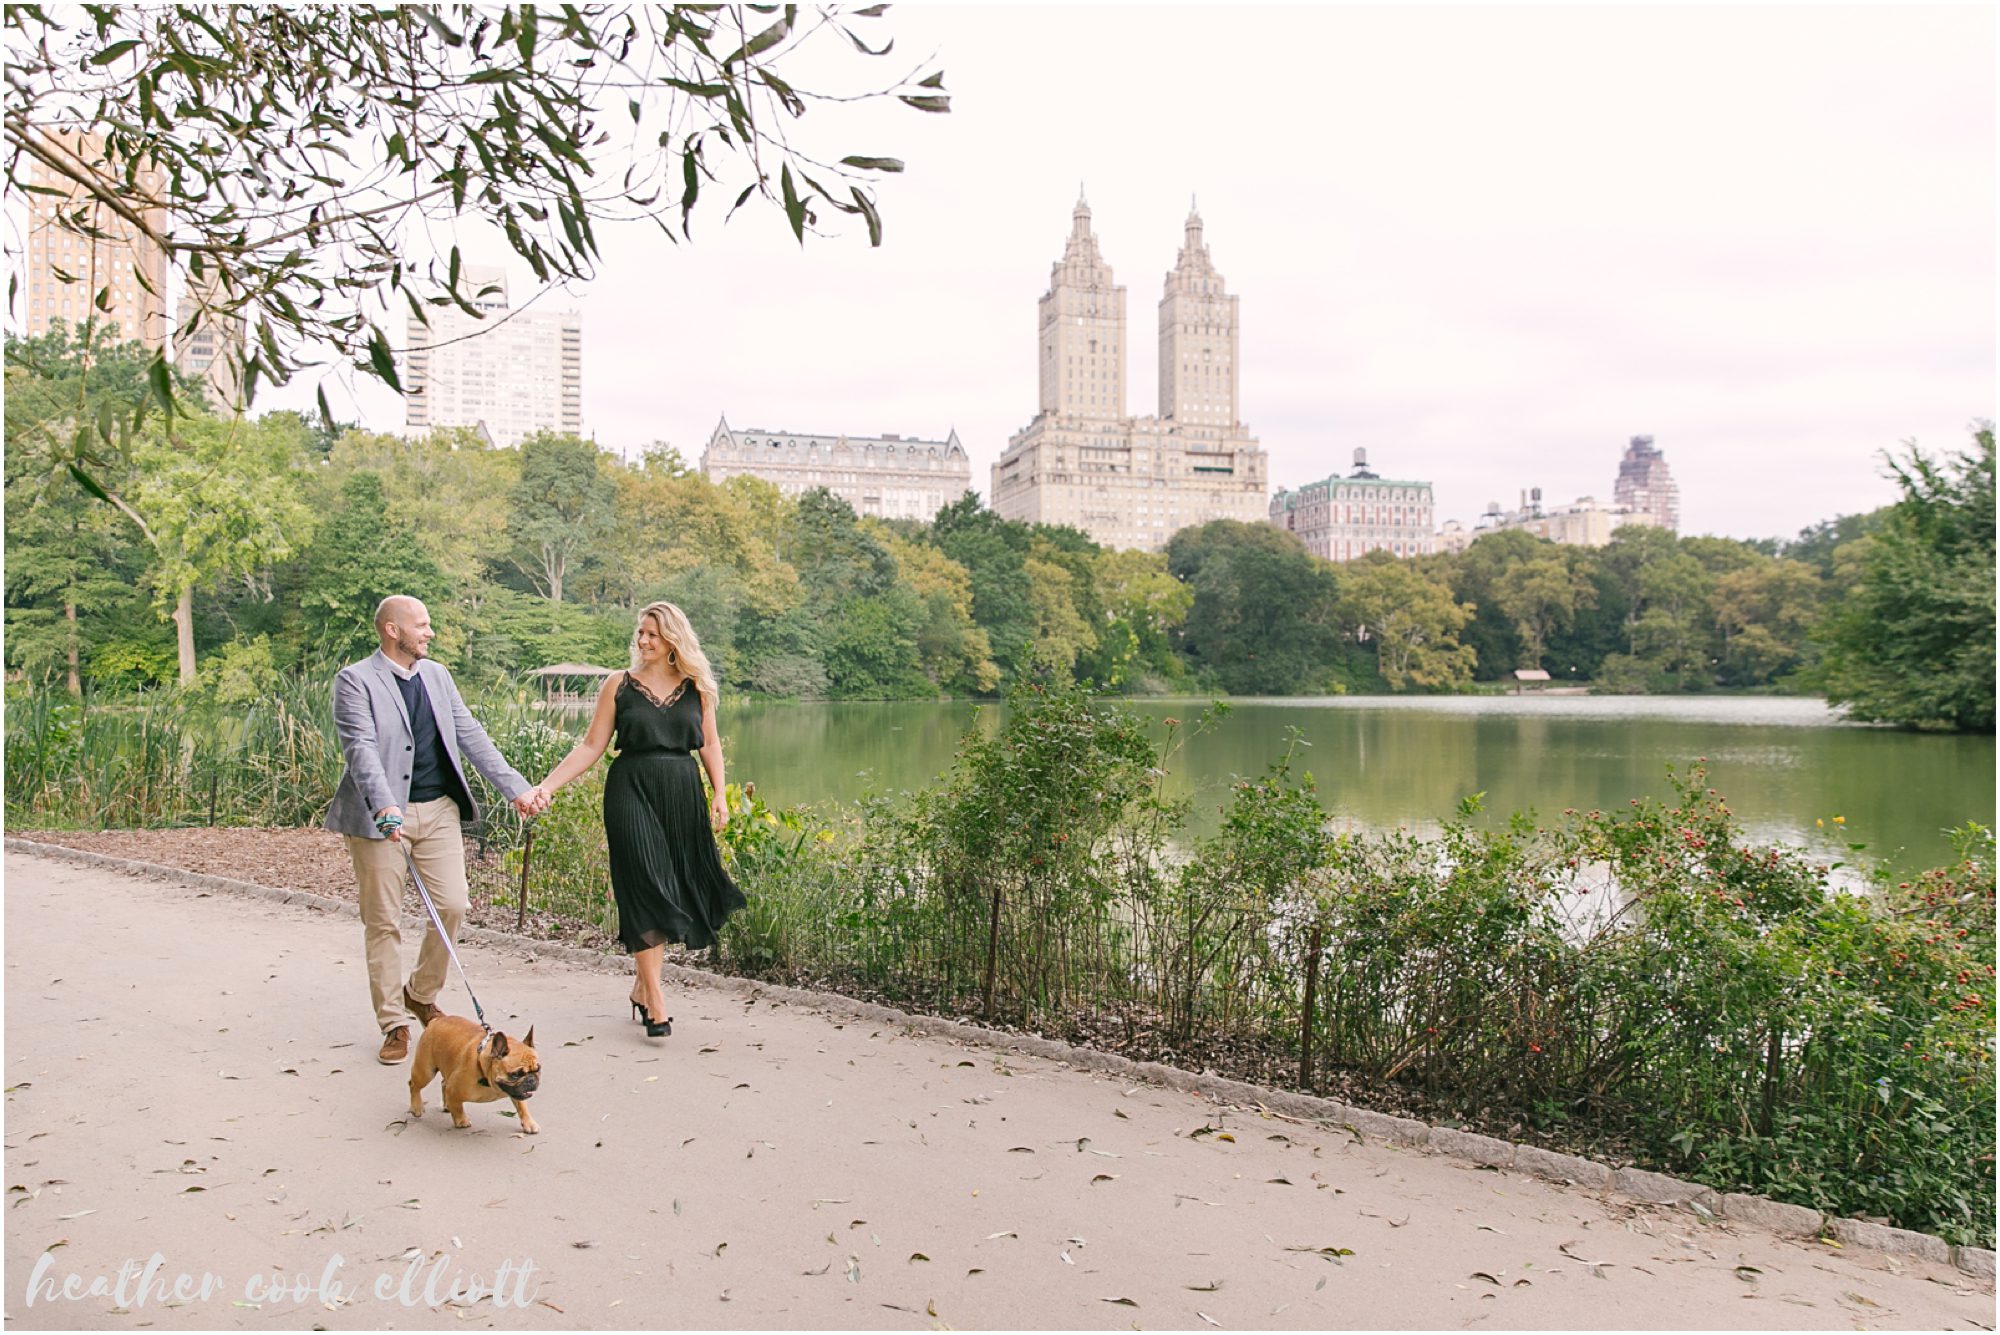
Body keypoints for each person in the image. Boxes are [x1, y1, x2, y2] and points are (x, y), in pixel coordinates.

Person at [326, 595, 546, 1065]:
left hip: (439, 809)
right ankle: (393, 1023)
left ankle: (419, 992)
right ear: (392, 630)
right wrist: (384, 803)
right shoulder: (355, 681)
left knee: (452, 904)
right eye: (421, 625)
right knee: (383, 921)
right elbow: (360, 748)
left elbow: (471, 736)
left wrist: (517, 790)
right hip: (381, 819)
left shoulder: (438, 676)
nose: (430, 633)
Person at [523, 601, 746, 1037]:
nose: (643, 641)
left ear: (672, 641)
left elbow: (710, 744)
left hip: (681, 792)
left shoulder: (697, 688)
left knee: (674, 886)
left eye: (652, 634)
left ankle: (643, 986)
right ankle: (657, 1001)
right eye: (640, 633)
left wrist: (720, 792)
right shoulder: (618, 685)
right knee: (645, 883)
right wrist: (546, 786)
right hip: (631, 788)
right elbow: (590, 747)